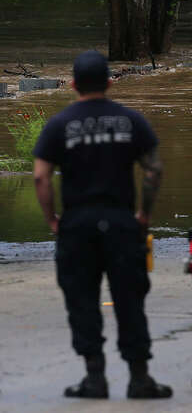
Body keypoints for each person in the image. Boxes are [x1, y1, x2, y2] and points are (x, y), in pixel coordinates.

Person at [32, 50, 172, 400]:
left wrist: (52, 219)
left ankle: (95, 379)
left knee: (82, 300)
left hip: (77, 224)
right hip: (122, 221)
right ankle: (140, 379)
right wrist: (144, 214)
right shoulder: (132, 121)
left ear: (73, 84)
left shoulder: (59, 124)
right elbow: (153, 169)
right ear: (110, 82)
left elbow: (40, 177)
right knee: (129, 300)